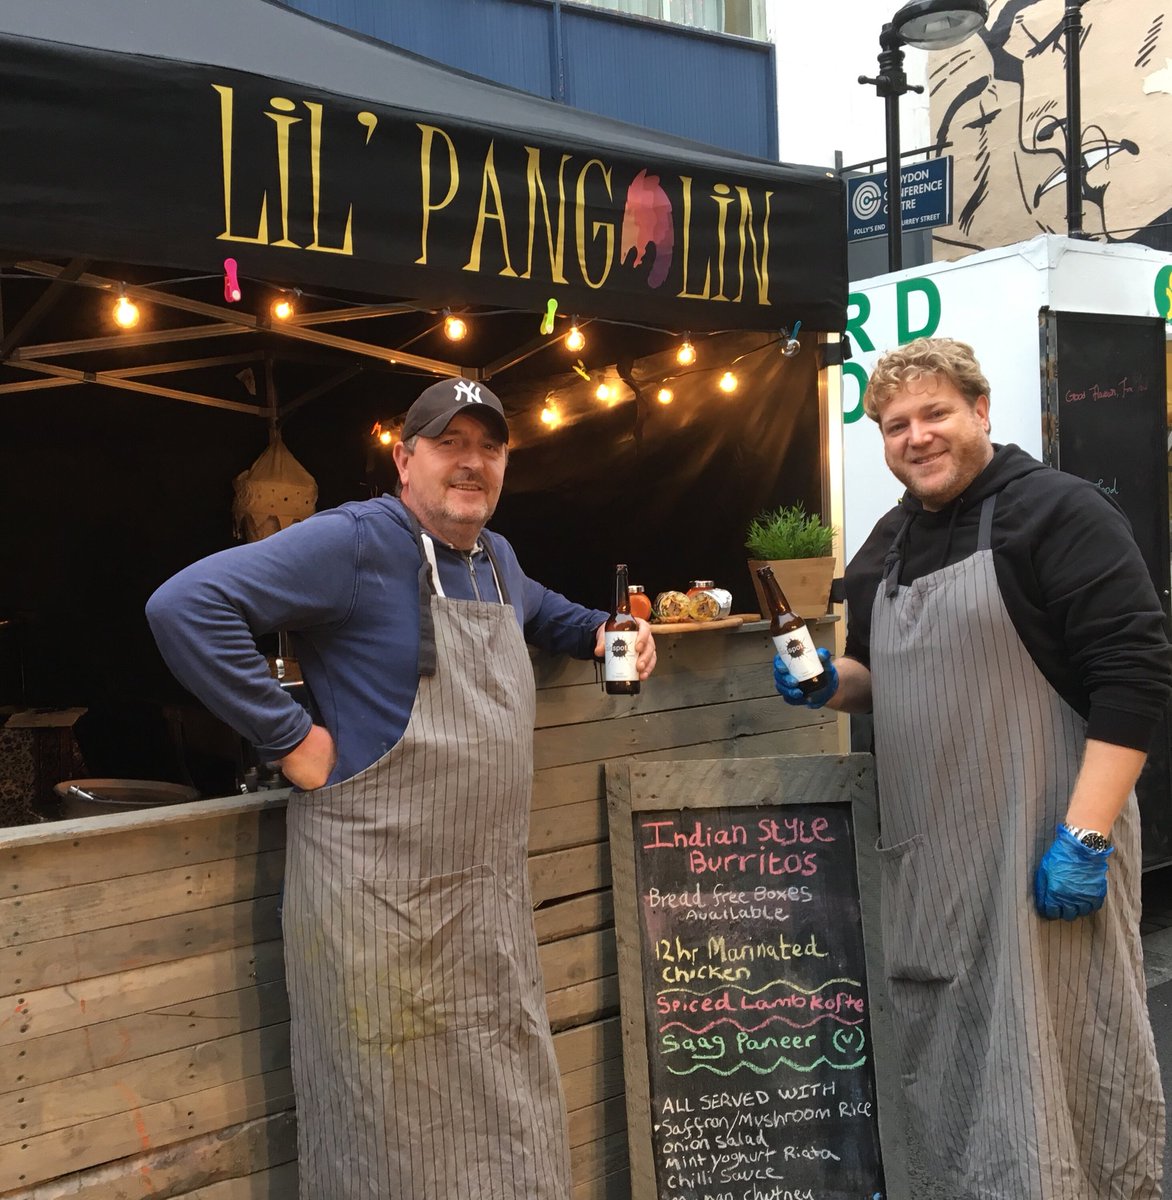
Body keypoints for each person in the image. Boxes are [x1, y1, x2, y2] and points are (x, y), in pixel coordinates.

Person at [146, 376, 657, 1200]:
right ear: (403, 456)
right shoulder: (357, 540)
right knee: (388, 1145)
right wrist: (290, 739)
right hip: (373, 918)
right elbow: (186, 606)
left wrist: (603, 630)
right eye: (449, 444)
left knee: (508, 1128)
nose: (472, 464)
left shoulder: (494, 558)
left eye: (489, 448)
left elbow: (537, 610)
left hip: (482, 915)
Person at [774, 337, 1169, 1197]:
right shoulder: (887, 544)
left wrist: (1087, 834)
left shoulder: (1056, 513)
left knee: (1065, 1058)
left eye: (935, 414)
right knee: (950, 1076)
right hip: (934, 862)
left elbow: (1136, 673)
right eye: (894, 425)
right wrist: (824, 685)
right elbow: (881, 674)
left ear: (981, 412)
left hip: (1046, 847)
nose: (915, 437)